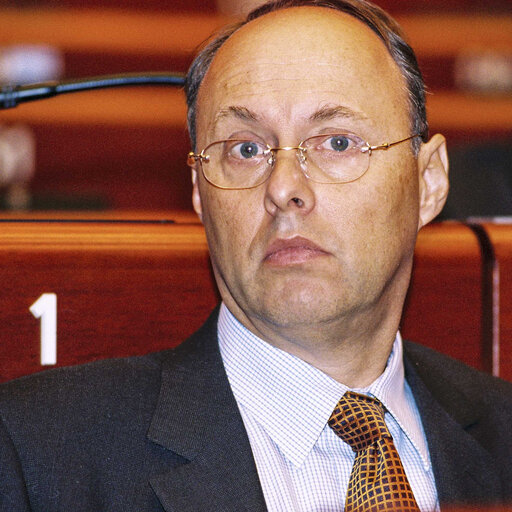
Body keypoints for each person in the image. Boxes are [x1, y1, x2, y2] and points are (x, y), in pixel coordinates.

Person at [1, 1, 511, 511]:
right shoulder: (36, 453)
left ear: (428, 183)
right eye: (245, 150)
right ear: (200, 192)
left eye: (336, 141)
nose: (284, 189)